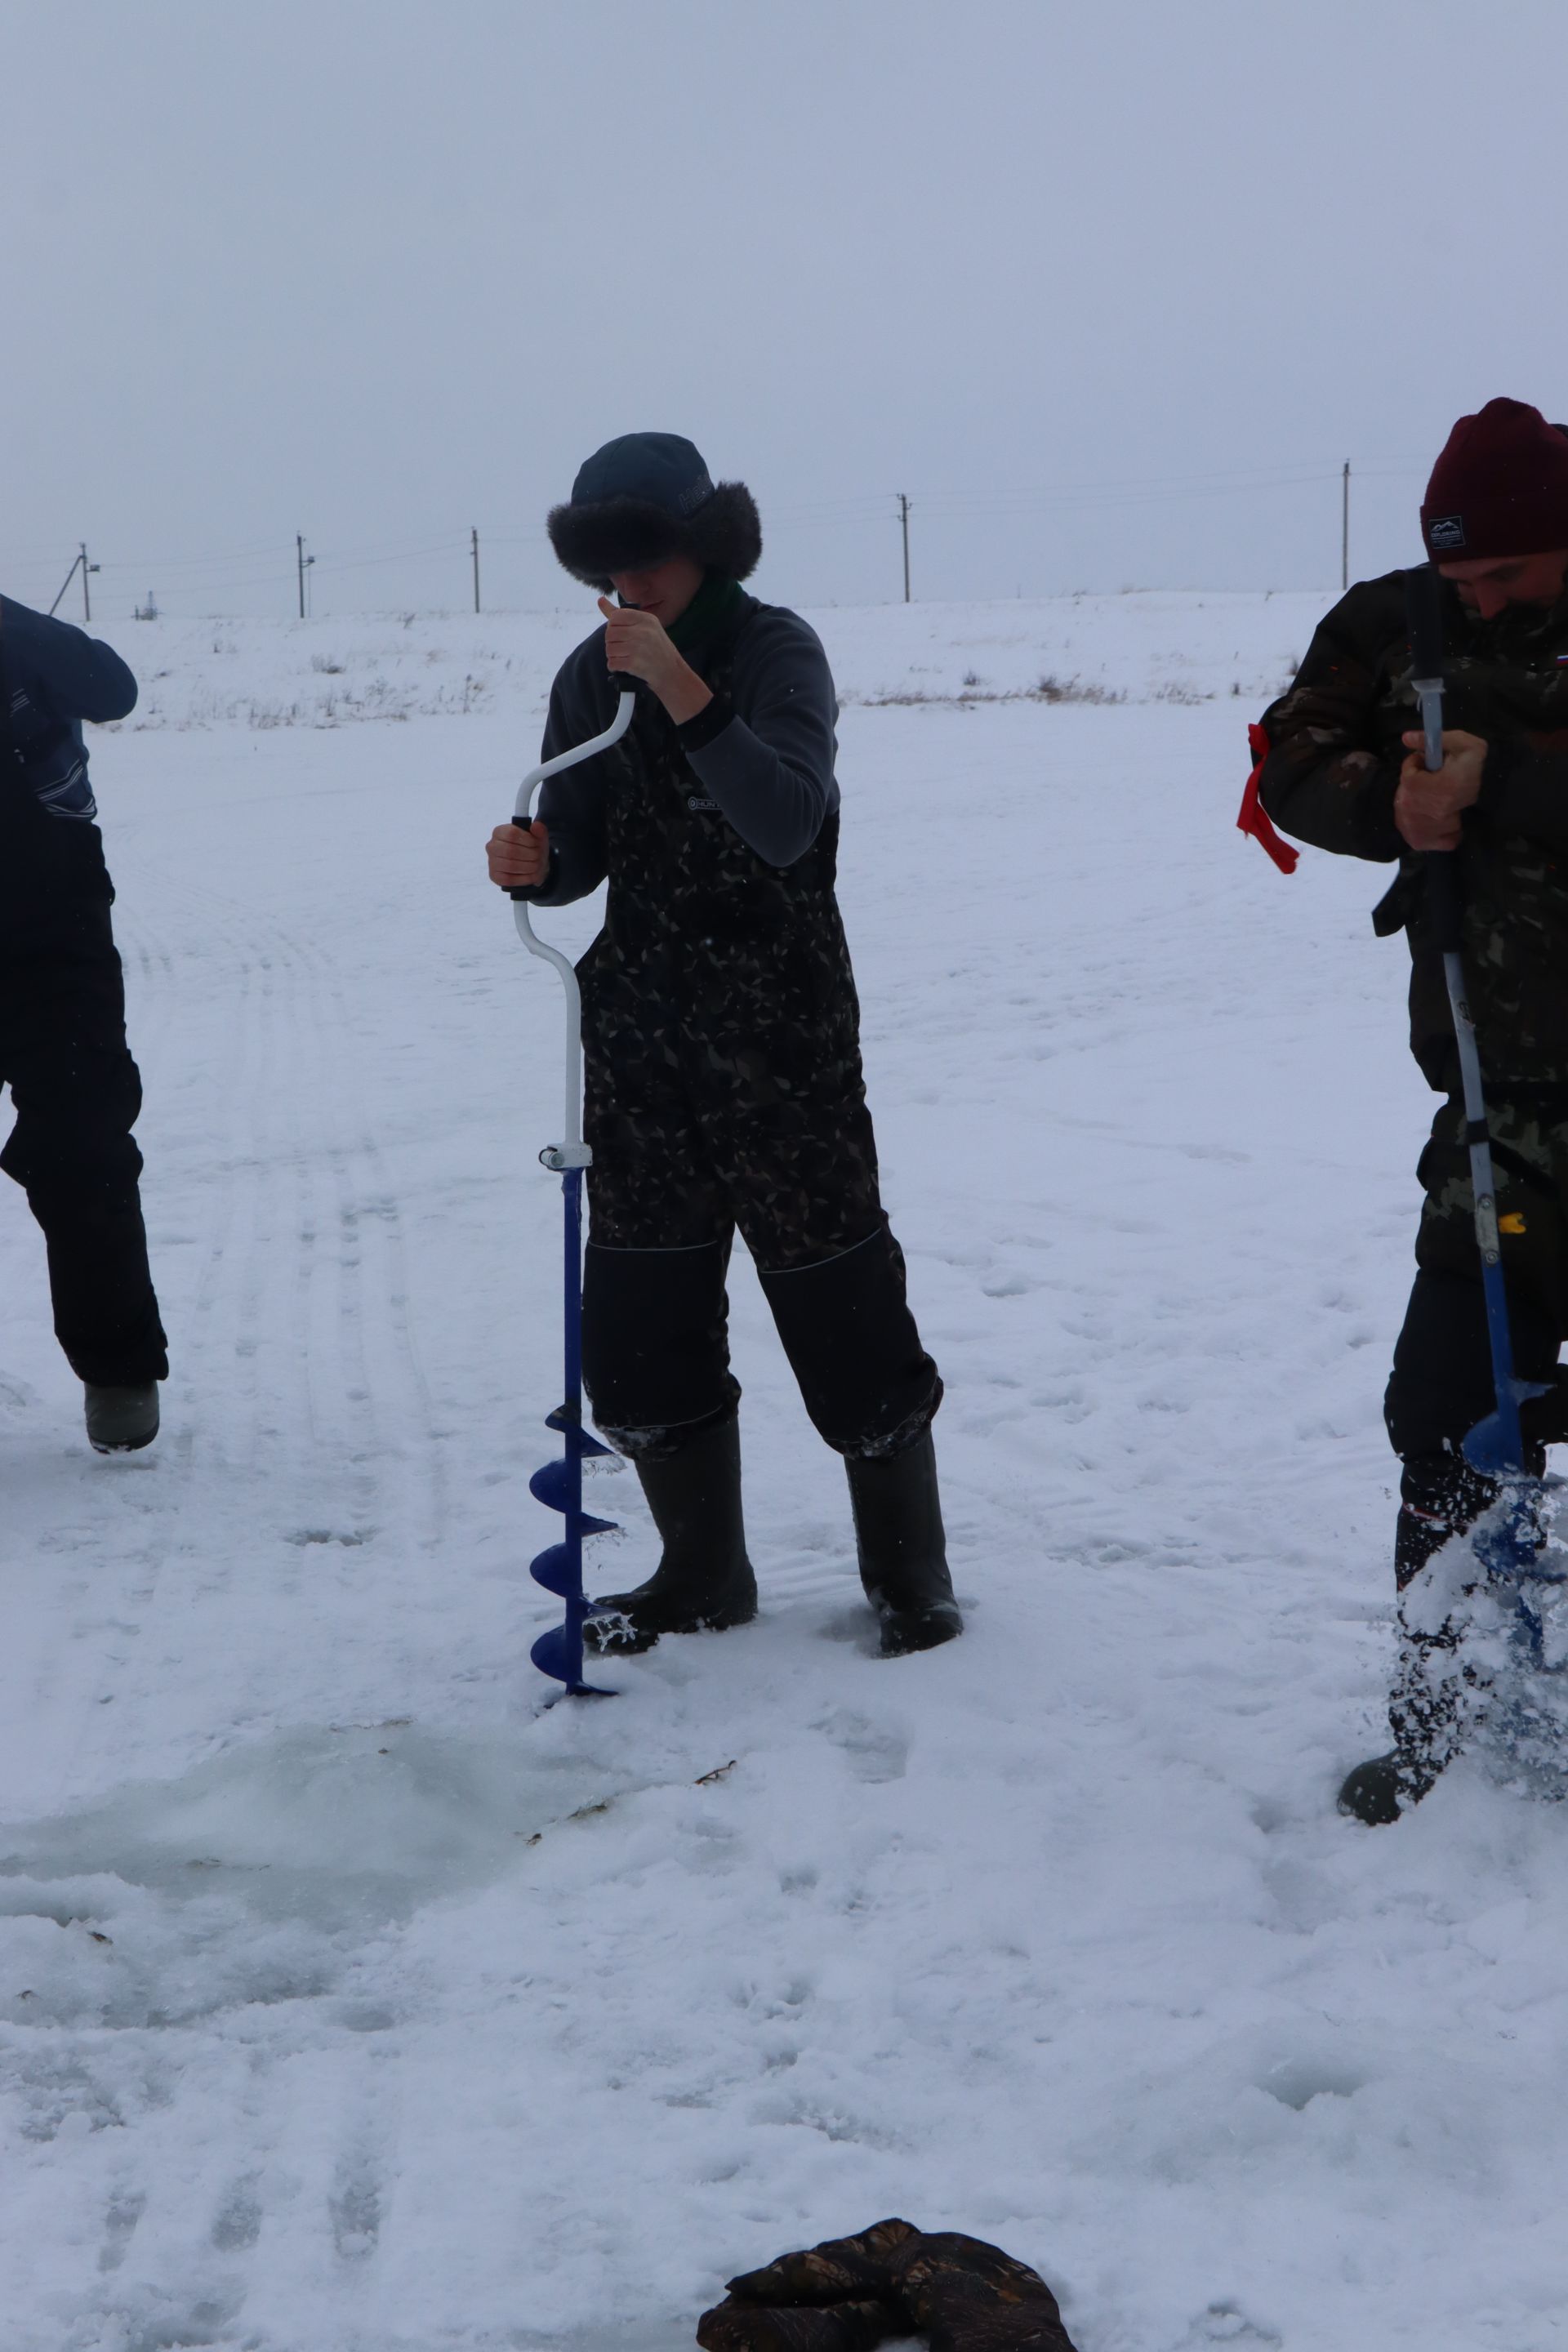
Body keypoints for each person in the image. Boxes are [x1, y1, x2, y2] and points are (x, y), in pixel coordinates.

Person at [486, 431, 960, 1657]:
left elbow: (789, 822)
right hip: (638, 1039)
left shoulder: (775, 650)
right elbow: (583, 843)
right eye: (606, 567)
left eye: (644, 558)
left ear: (701, 544)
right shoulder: (590, 678)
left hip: (782, 1035)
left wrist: (688, 695)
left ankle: (911, 1578)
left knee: (841, 1305)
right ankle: (701, 1574)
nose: (626, 589)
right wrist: (539, 865)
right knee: (641, 1322)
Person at [1250, 396, 1568, 1821]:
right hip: (1497, 1106)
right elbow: (1290, 758)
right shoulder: (1393, 628)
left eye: (1506, 575)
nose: (1478, 598)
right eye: (1461, 576)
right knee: (1441, 1412)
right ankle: (1441, 1729)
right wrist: (1393, 803)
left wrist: (1515, 787)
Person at [0, 593, 167, 1450]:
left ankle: (118, 1369)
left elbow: (113, 690)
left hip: (51, 939)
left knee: (83, 1148)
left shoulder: (19, 633)